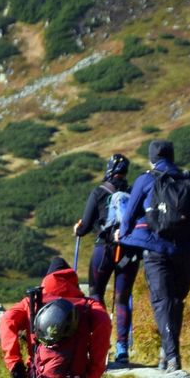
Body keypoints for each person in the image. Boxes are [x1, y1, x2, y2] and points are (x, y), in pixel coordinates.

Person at [117, 140, 190, 371]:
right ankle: (169, 352)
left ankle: (171, 356)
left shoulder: (145, 180)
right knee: (176, 302)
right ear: (172, 156)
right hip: (185, 251)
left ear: (152, 158)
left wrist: (124, 236)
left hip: (155, 250)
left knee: (162, 302)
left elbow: (128, 217)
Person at [74, 154, 142, 365]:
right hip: (128, 251)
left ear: (109, 170)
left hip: (103, 250)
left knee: (96, 294)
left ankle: (100, 346)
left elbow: (85, 226)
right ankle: (123, 348)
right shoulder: (132, 193)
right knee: (122, 298)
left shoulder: (99, 192)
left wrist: (79, 229)